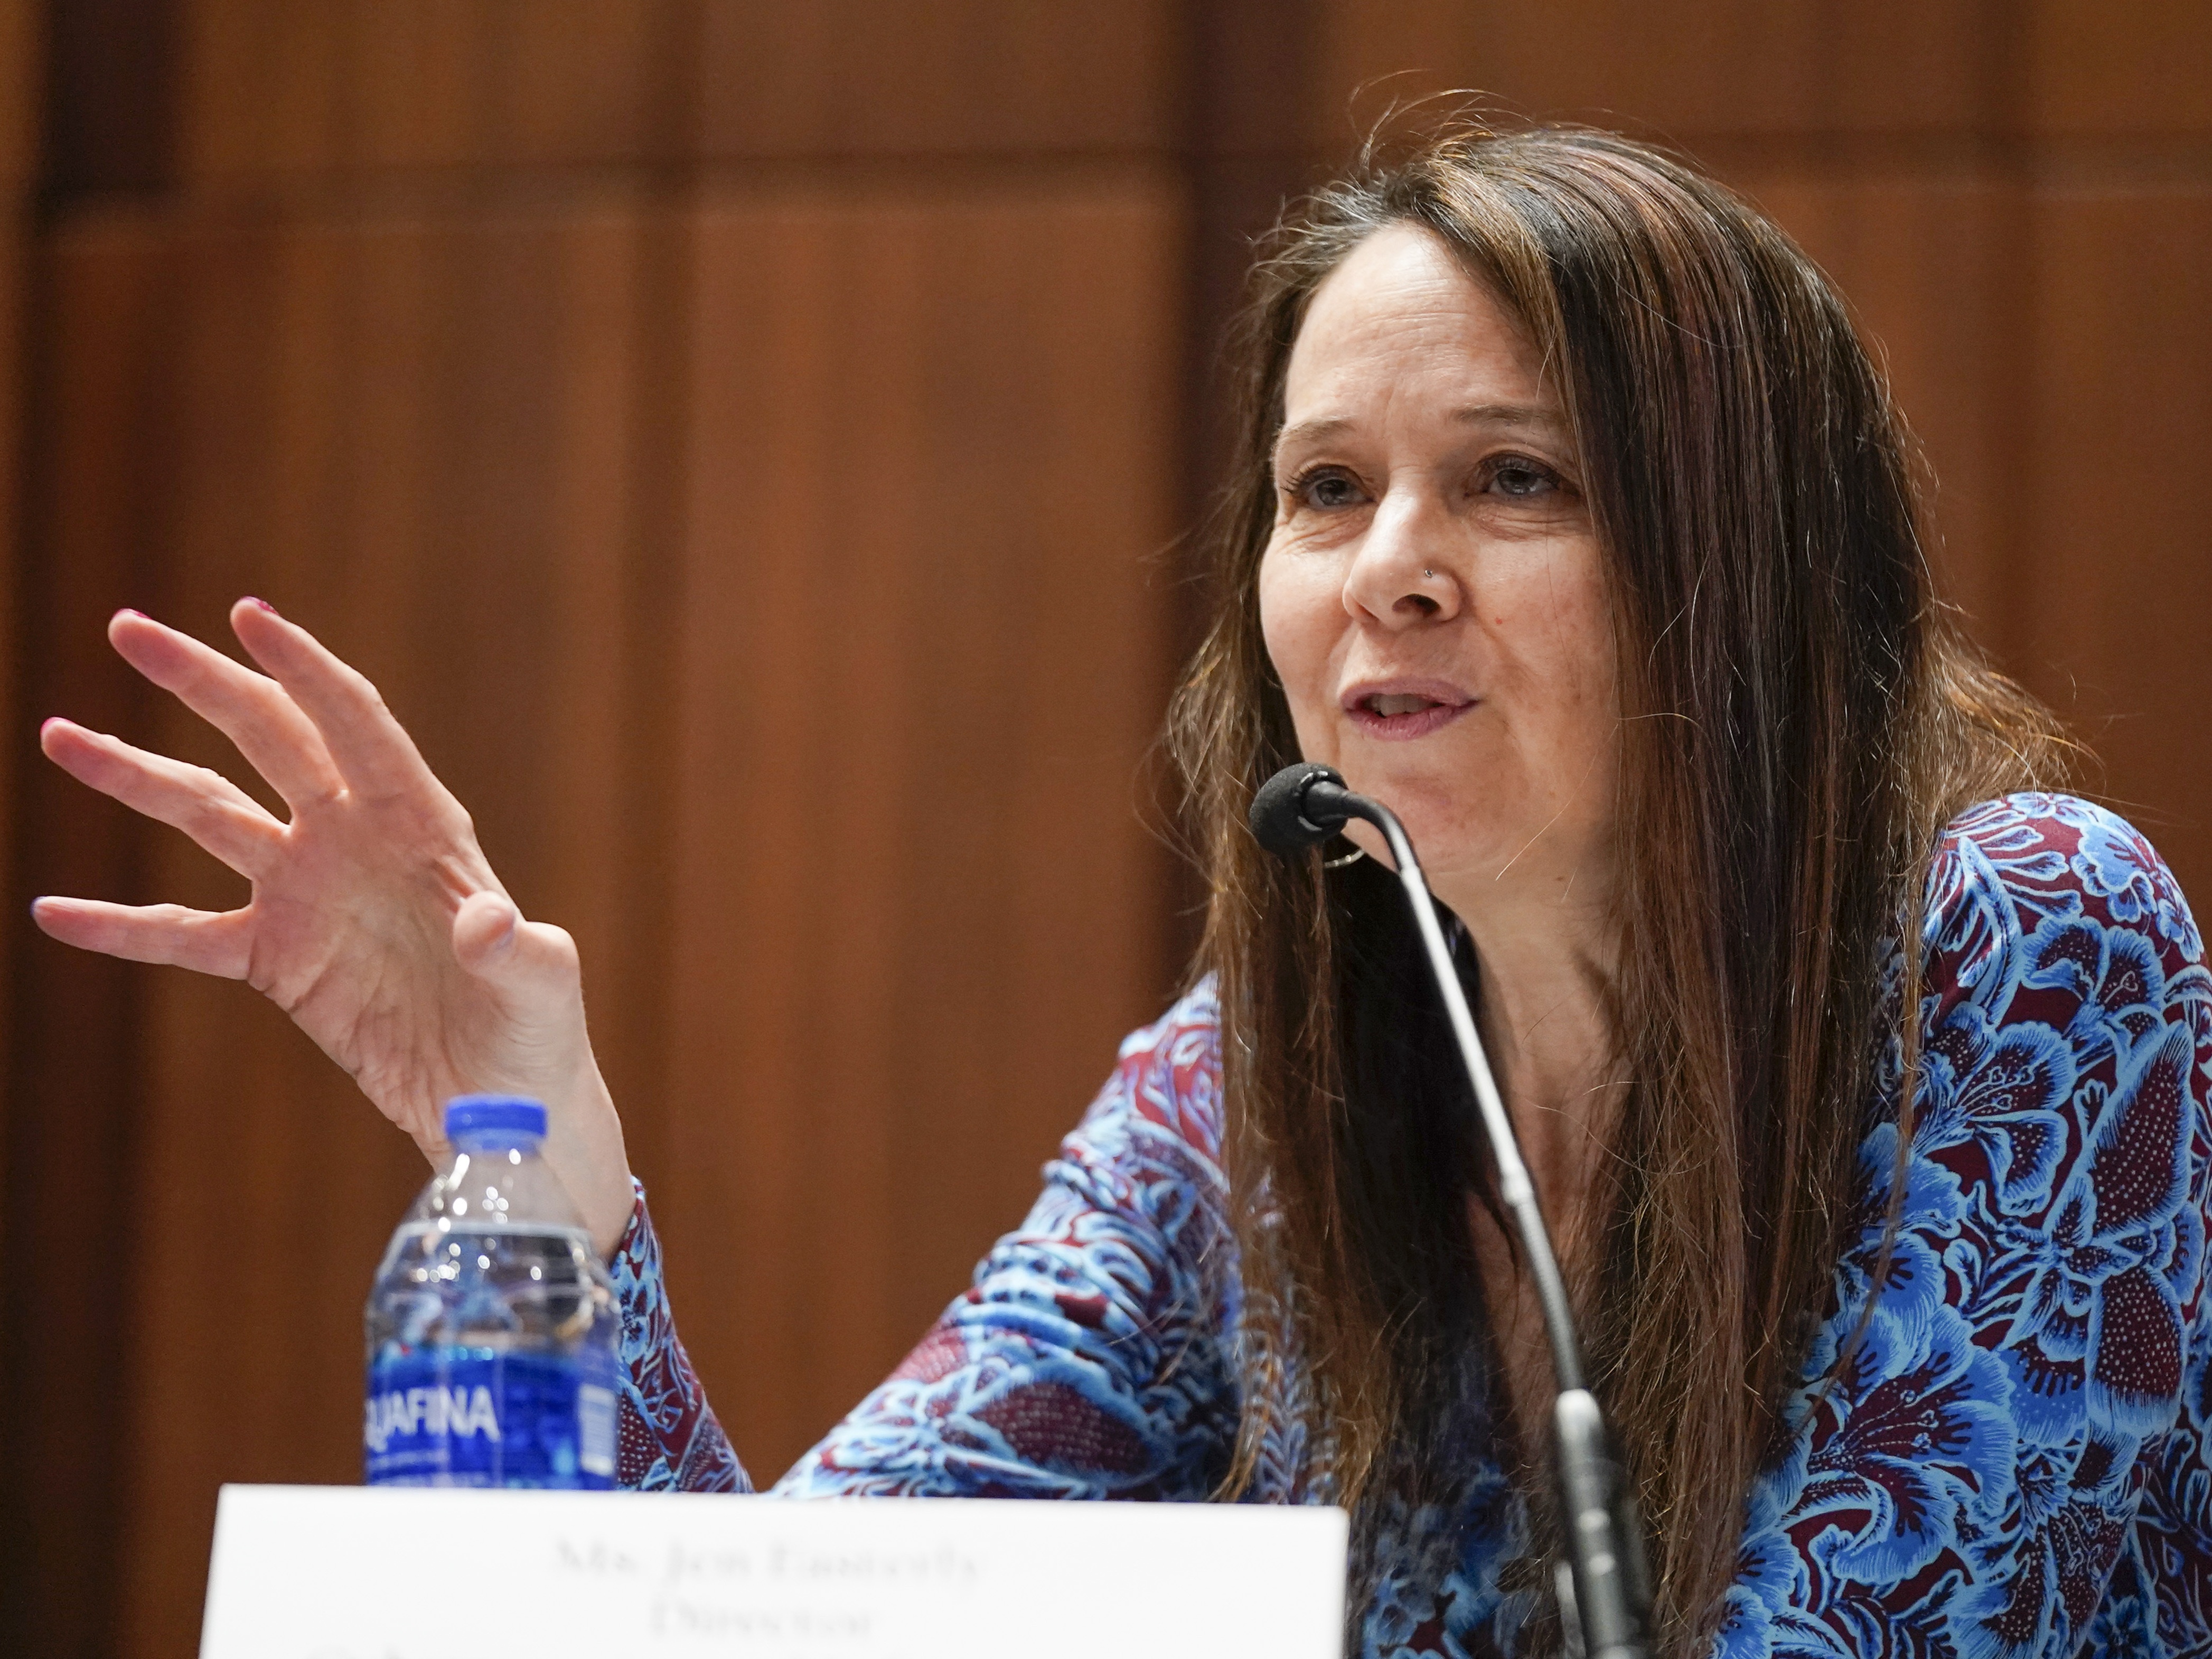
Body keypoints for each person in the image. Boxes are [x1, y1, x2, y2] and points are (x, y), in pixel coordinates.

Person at [32, 123, 2212, 1659]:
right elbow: (797, 1636)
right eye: (1324, 489)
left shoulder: (2020, 941)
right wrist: (538, 1161)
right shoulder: (1239, 1106)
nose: (1389, 570)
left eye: (1515, 479)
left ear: (1747, 565)